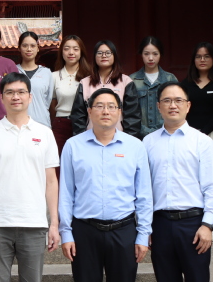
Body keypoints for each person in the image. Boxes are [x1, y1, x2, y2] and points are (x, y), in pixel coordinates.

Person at [59, 88, 153, 282]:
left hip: (124, 230)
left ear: (120, 112)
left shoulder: (135, 146)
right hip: (84, 230)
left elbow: (144, 194)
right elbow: (66, 193)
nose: (105, 111)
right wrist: (66, 232)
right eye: (99, 106)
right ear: (89, 111)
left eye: (111, 106)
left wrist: (143, 234)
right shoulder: (73, 145)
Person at [0, 72, 60, 282]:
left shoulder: (45, 133)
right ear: (1, 97)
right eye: (9, 92)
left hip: (34, 222)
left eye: (21, 92)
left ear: (30, 97)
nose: (16, 97)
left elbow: (51, 181)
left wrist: (54, 224)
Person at [143, 82, 213, 282]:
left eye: (178, 100)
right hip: (160, 224)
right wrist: (145, 227)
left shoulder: (202, 141)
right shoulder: (147, 142)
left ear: (188, 105)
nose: (173, 105)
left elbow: (212, 187)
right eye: (167, 101)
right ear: (159, 106)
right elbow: (143, 189)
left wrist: (207, 225)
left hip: (193, 225)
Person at [181, 41, 213, 239]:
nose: (202, 60)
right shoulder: (185, 84)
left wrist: (204, 131)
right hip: (190, 136)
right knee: (193, 175)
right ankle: (199, 218)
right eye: (198, 56)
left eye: (206, 56)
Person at [70, 40, 140, 137]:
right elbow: (78, 116)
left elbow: (132, 116)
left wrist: (128, 140)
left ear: (114, 56)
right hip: (90, 138)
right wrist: (82, 139)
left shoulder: (126, 82)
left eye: (108, 53)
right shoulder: (84, 82)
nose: (104, 56)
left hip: (119, 138)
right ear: (94, 57)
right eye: (99, 53)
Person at [130, 36, 178, 139]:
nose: (151, 58)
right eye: (146, 54)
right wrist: (145, 131)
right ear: (141, 54)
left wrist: (159, 130)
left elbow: (177, 107)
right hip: (139, 137)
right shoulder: (132, 80)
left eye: (155, 54)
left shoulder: (170, 79)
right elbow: (130, 111)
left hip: (166, 134)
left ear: (160, 54)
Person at [50, 35, 91, 155]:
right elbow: (52, 105)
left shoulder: (89, 76)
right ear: (61, 52)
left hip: (83, 124)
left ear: (81, 52)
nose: (71, 52)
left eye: (75, 49)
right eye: (66, 48)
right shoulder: (54, 76)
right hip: (60, 124)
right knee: (59, 159)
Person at [16, 31, 54, 128]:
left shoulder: (46, 73)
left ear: (38, 48)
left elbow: (49, 100)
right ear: (19, 48)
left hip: (42, 124)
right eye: (25, 46)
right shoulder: (13, 71)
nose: (29, 49)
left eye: (33, 46)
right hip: (18, 124)